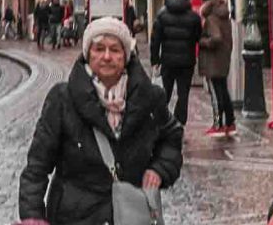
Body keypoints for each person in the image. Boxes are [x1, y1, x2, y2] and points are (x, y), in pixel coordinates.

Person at [18, 16, 183, 225]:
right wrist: (32, 214)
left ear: (126, 55)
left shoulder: (149, 98)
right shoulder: (62, 99)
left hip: (129, 215)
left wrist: (160, 169)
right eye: (99, 49)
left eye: (115, 49)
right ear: (87, 54)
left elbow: (172, 138)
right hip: (74, 216)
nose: (106, 56)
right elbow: (37, 164)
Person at [150, 0, 203, 127]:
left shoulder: (162, 15)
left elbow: (155, 39)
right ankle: (179, 121)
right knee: (183, 93)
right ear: (189, 0)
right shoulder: (194, 17)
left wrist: (155, 59)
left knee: (165, 92)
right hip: (187, 61)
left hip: (168, 61)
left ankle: (160, 119)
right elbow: (198, 37)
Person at [196, 0, 236, 137]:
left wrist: (203, 41)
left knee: (215, 92)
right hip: (223, 58)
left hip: (213, 60)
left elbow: (216, 38)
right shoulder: (224, 15)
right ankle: (230, 122)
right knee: (223, 91)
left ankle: (218, 124)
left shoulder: (211, 18)